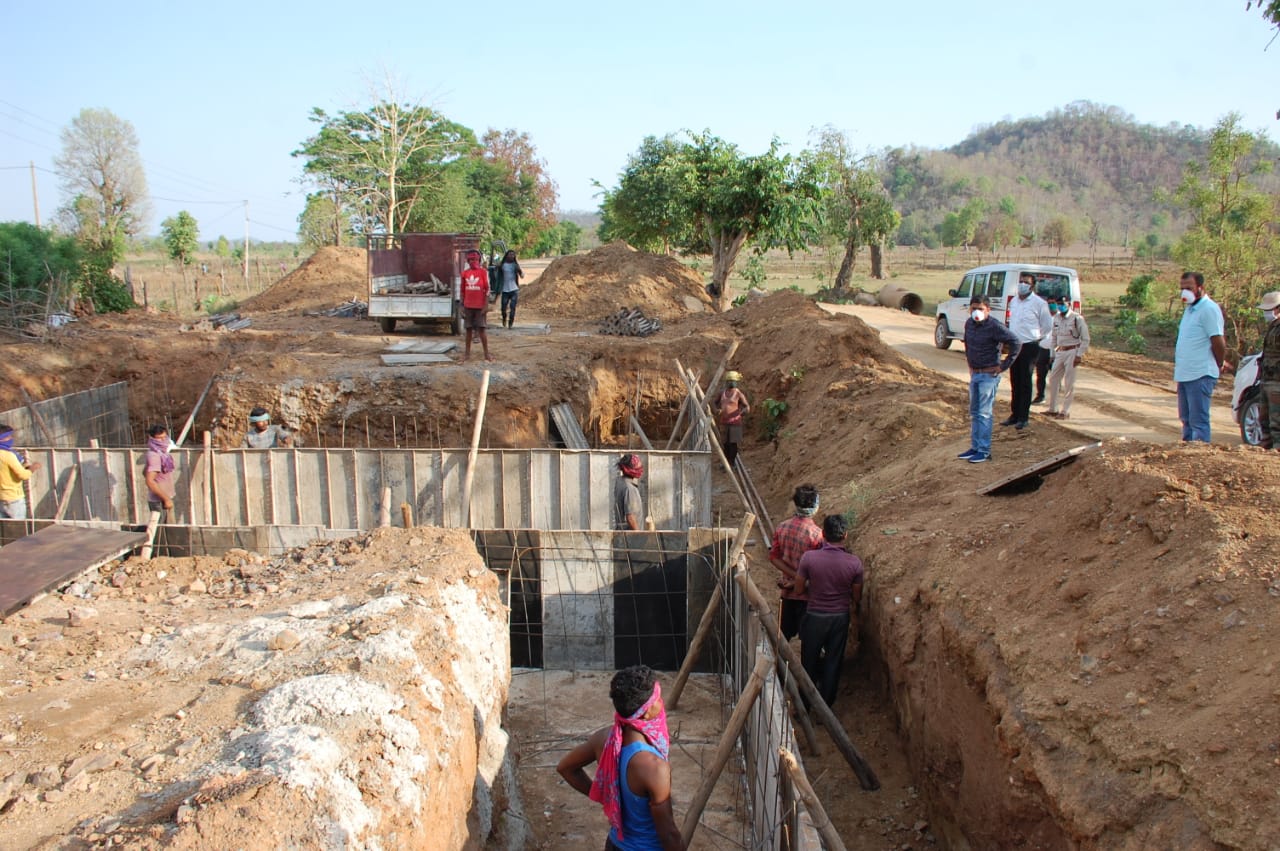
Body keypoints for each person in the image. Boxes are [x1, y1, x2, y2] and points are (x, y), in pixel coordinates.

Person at [556, 665, 683, 851]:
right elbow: (668, 833)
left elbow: (566, 768)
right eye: (658, 698)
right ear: (646, 712)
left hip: (615, 845)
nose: (661, 703)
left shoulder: (604, 739)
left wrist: (608, 798)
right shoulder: (654, 767)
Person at [794, 514, 864, 709]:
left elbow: (798, 589)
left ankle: (804, 705)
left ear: (823, 534)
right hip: (839, 618)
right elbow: (856, 597)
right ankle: (826, 707)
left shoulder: (809, 558)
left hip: (815, 616)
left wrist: (814, 587)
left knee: (808, 660)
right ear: (846, 535)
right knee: (833, 661)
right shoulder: (855, 563)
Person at [958, 295, 1020, 463]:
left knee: (984, 413)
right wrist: (970, 365)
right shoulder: (969, 324)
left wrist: (1004, 365)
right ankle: (975, 447)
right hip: (975, 373)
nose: (976, 312)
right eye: (974, 308)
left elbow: (1016, 342)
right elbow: (968, 344)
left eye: (981, 308)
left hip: (989, 375)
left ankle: (984, 451)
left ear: (988, 310)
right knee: (975, 412)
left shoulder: (994, 326)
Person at [1173, 271, 1226, 442]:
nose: (1184, 292)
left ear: (1200, 288)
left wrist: (1219, 363)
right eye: (1182, 288)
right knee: (1186, 420)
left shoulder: (1209, 309)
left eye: (1189, 288)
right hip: (1185, 374)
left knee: (1198, 422)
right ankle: (1186, 456)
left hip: (1200, 374)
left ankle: (1199, 457)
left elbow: (1217, 340)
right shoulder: (1190, 310)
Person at [768, 484, 823, 641]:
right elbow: (819, 570)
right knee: (809, 642)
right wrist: (800, 579)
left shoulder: (782, 527)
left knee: (782, 640)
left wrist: (793, 577)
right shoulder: (817, 535)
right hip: (808, 597)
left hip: (787, 592)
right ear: (815, 506)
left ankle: (777, 666)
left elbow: (773, 557)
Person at [1003, 274, 1052, 430]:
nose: (1022, 284)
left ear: (1032, 286)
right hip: (1014, 345)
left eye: (1026, 283)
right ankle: (1014, 414)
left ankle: (1023, 417)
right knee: (1014, 380)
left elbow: (1047, 326)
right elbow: (1011, 321)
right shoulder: (1014, 301)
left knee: (1025, 381)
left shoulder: (1039, 303)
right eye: (1020, 282)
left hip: (1030, 345)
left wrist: (1037, 339)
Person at [1045, 295, 1091, 421]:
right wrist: (1052, 354)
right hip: (1060, 351)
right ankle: (1053, 408)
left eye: (1063, 303)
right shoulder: (1056, 319)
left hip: (1072, 350)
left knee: (1069, 382)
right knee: (1053, 379)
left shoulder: (1077, 319)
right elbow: (1054, 338)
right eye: (1059, 303)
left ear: (1069, 304)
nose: (1061, 306)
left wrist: (1079, 355)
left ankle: (1065, 411)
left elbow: (1085, 339)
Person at [1256, 290, 1280, 450]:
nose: (1267, 313)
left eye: (1269, 309)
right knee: (1264, 421)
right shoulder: (1273, 327)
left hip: (1277, 384)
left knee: (1276, 423)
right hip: (1267, 381)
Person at [0, 424, 40, 519]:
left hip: (1, 498)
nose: (11, 438)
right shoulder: (8, 455)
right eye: (8, 437)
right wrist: (33, 468)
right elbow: (23, 475)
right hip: (14, 498)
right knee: (19, 529)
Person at [712, 370, 750, 467]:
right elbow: (714, 403)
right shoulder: (722, 393)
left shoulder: (738, 394)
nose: (731, 383)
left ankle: (732, 463)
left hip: (735, 423)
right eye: (729, 381)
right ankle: (726, 462)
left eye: (733, 381)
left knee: (733, 444)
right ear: (726, 382)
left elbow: (747, 407)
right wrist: (716, 410)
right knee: (725, 443)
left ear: (736, 382)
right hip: (724, 422)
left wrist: (741, 413)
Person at [461, 249, 493, 362]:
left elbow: (488, 289)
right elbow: (462, 291)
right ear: (467, 261)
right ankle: (467, 354)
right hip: (468, 306)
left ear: (478, 259)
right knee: (468, 330)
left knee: (482, 330)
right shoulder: (465, 273)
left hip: (480, 306)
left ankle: (486, 354)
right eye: (470, 260)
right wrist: (462, 307)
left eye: (474, 259)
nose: (472, 261)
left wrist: (486, 305)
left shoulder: (484, 272)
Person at [144, 424, 176, 516]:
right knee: (161, 529)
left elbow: (145, 472)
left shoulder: (163, 453)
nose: (163, 441)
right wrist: (166, 499)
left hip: (164, 498)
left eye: (165, 437)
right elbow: (150, 481)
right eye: (159, 438)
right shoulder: (155, 455)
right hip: (159, 501)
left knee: (167, 529)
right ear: (152, 439)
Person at [613, 454, 644, 531]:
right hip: (630, 537)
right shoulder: (630, 489)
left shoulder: (619, 482)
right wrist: (639, 535)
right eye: (638, 467)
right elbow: (630, 517)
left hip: (621, 533)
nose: (640, 469)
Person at [497, 249, 524, 329]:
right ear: (507, 256)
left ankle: (511, 322)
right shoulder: (502, 265)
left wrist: (520, 272)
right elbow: (496, 273)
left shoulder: (515, 265)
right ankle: (504, 318)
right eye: (510, 254)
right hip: (505, 290)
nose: (512, 256)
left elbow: (522, 275)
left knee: (513, 307)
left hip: (514, 289)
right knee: (503, 308)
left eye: (513, 255)